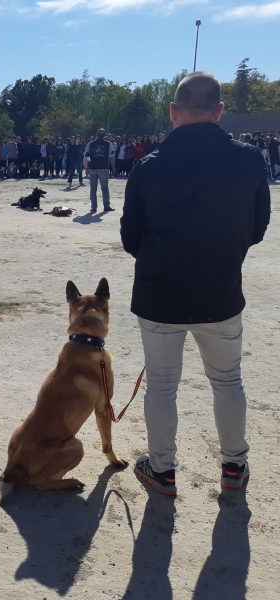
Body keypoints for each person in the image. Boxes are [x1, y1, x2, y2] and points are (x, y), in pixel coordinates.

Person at [121, 72, 271, 495]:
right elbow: (258, 227)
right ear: (220, 111)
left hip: (160, 293)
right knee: (228, 381)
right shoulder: (247, 159)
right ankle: (234, 466)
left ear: (173, 111)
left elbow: (131, 236)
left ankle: (163, 469)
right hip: (221, 290)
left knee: (162, 386)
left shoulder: (149, 165)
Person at [84, 129, 113, 212]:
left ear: (96, 135)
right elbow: (110, 153)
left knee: (93, 189)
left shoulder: (91, 144)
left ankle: (93, 207)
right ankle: (106, 206)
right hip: (103, 168)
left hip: (93, 168)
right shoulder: (108, 144)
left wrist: (87, 167)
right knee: (105, 188)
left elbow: (87, 155)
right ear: (104, 135)